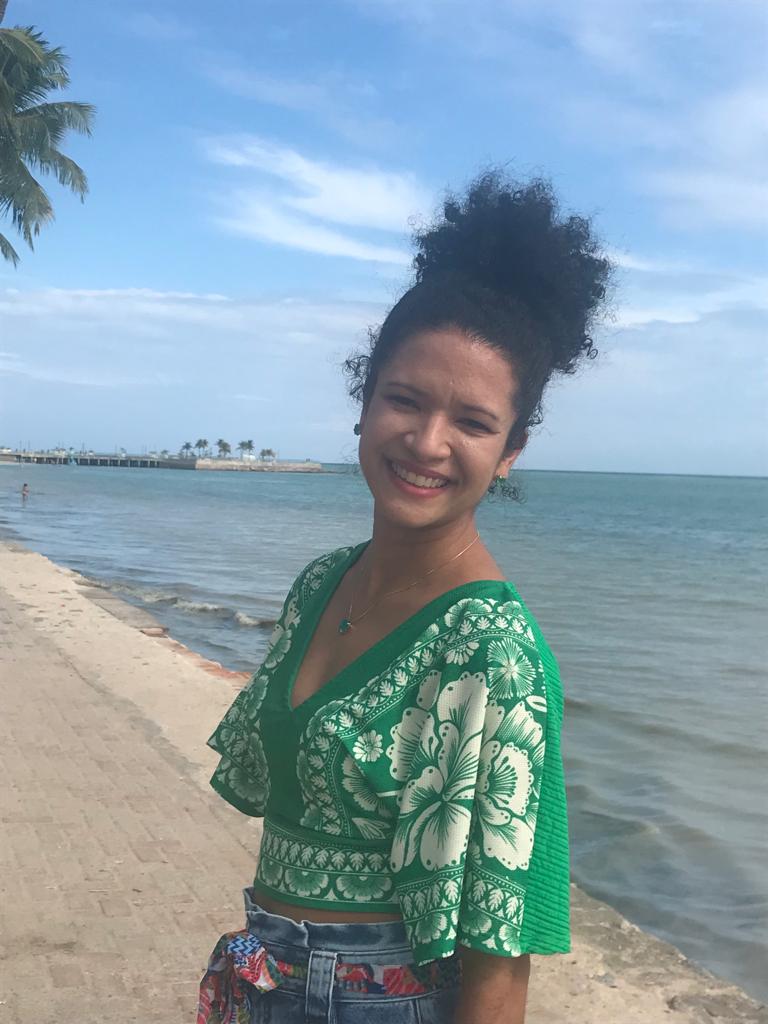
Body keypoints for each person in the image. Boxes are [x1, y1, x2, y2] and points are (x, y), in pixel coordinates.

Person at [199, 169, 612, 1024]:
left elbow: (498, 955)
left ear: (510, 452)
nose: (427, 442)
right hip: (264, 974)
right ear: (364, 403)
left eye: (473, 422)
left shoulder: (490, 649)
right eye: (405, 400)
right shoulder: (321, 583)